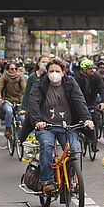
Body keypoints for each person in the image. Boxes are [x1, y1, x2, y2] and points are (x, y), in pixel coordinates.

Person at [27, 59, 94, 193]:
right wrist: (37, 121)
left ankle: (71, 179)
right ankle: (47, 180)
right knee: (47, 146)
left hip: (66, 126)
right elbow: (33, 102)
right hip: (46, 126)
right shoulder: (39, 84)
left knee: (74, 149)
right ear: (46, 72)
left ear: (63, 72)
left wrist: (87, 119)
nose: (54, 74)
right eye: (51, 71)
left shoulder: (70, 83)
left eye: (57, 71)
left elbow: (79, 100)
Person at [75, 58, 104, 152]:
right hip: (81, 100)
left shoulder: (96, 77)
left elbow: (102, 89)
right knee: (80, 120)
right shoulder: (77, 78)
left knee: (95, 120)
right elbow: (75, 92)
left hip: (92, 100)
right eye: (89, 69)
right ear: (84, 70)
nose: (92, 70)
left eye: (93, 68)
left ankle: (94, 143)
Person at [0, 62, 26, 138]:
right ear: (8, 70)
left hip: (19, 101)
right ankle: (8, 129)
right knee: (9, 111)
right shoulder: (4, 78)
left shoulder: (20, 77)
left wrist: (27, 98)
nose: (14, 70)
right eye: (12, 69)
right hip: (7, 100)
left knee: (22, 118)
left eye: (16, 69)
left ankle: (23, 136)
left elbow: (25, 88)